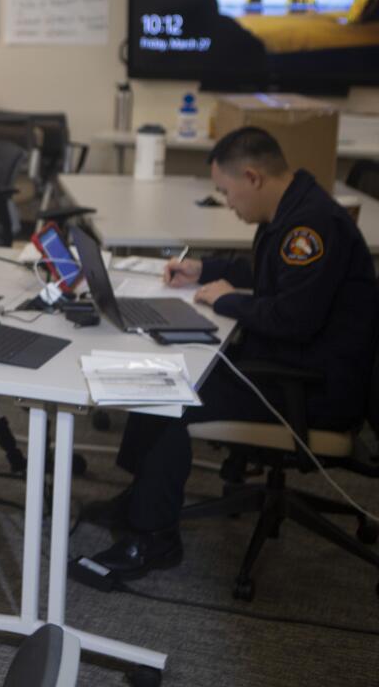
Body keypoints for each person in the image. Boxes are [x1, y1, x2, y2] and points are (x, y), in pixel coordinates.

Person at [77, 126, 377, 579]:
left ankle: (152, 538)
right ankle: (141, 500)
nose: (228, 203)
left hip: (313, 388)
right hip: (291, 364)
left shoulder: (310, 227)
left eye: (227, 191)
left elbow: (294, 319)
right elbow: (270, 277)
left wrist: (225, 300)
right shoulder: (292, 209)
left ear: (253, 177)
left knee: (172, 395)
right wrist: (206, 270)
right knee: (164, 372)